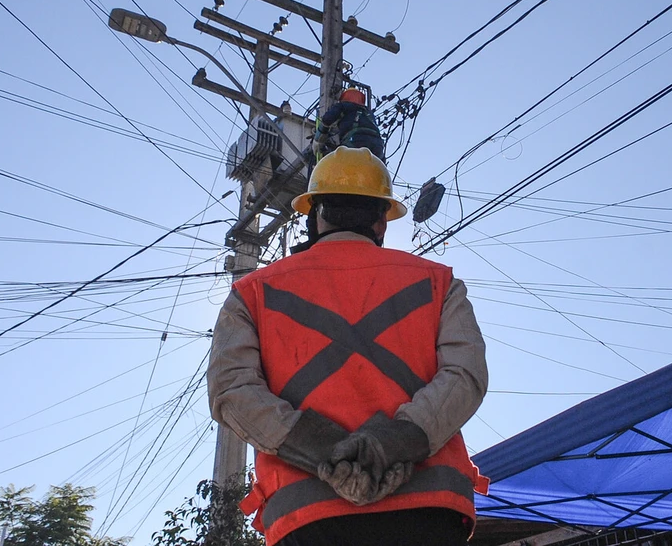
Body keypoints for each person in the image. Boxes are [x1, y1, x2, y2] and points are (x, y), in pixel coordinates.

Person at [208, 147, 488, 546]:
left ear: (315, 216)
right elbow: (465, 377)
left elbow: (231, 391)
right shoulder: (440, 283)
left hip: (306, 514)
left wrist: (327, 452)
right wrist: (391, 443)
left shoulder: (251, 294)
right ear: (381, 221)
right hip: (431, 506)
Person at [313, 88, 386, 162]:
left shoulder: (344, 106)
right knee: (373, 170)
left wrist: (318, 139)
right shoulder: (369, 113)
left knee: (342, 167)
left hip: (355, 141)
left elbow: (327, 119)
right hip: (378, 147)